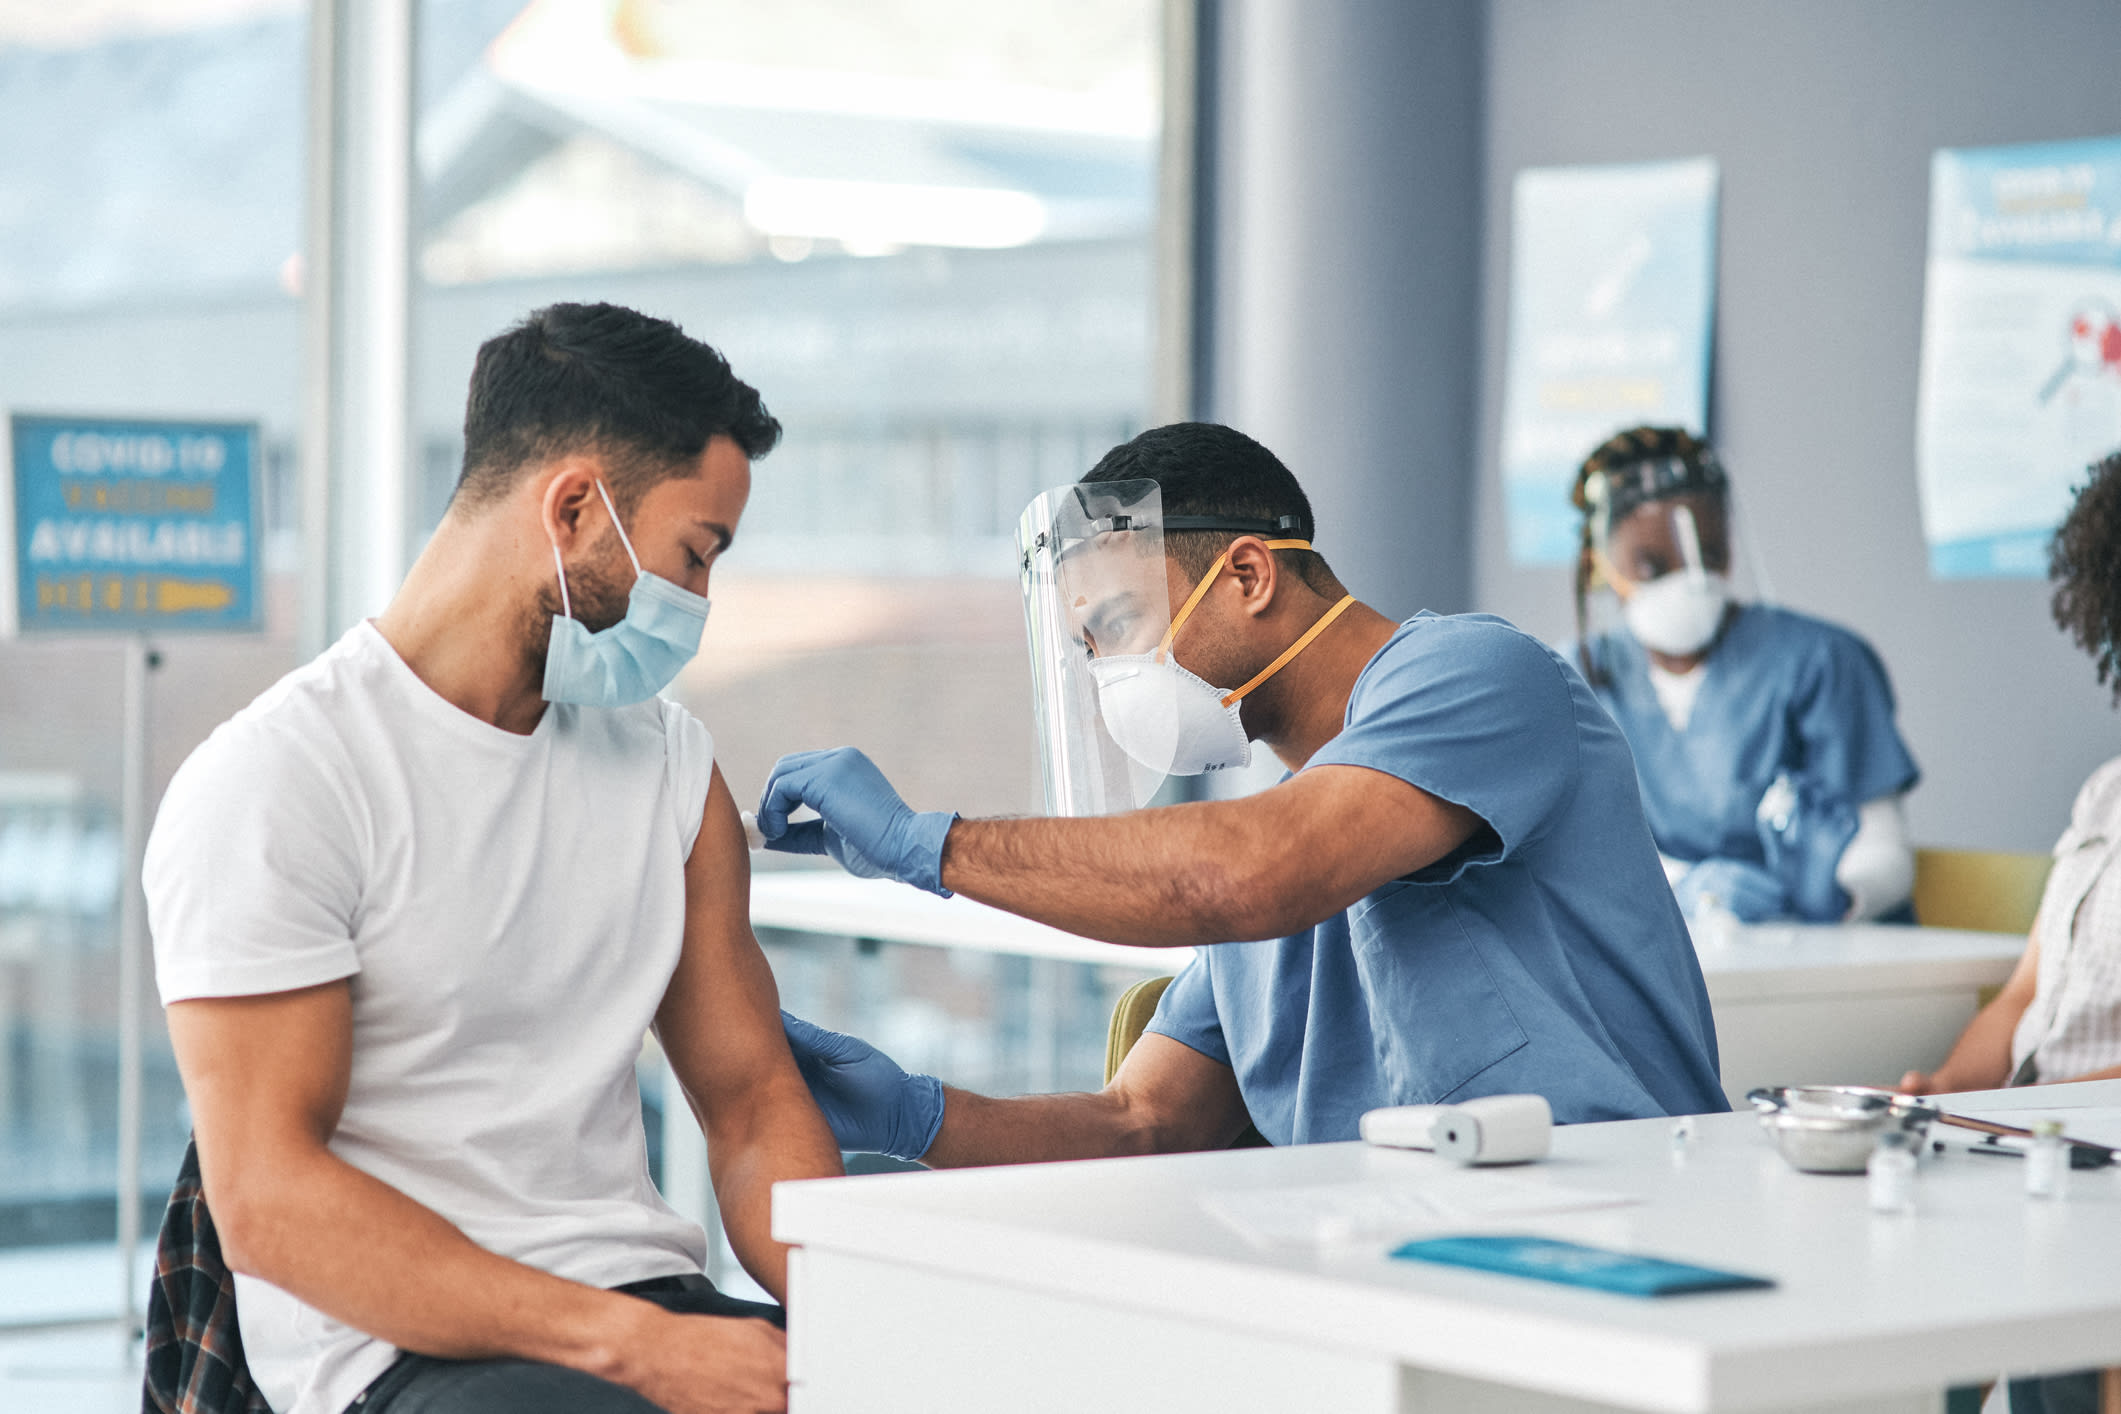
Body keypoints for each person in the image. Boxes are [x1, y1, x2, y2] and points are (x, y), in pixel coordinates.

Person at [144, 303, 839, 1414]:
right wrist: (638, 1349)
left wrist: (863, 1320)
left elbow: (752, 1102)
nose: (700, 604)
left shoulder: (667, 769)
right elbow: (268, 1200)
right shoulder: (280, 781)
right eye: (693, 555)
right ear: (572, 507)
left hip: (640, 1303)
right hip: (404, 1352)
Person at [757, 422, 1727, 1171]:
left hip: (1614, 1224)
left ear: (1250, 575)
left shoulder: (1475, 674)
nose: (1111, 673)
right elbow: (1145, 1123)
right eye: (1090, 650)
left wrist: (933, 846)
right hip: (1405, 1254)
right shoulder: (1265, 836)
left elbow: (1257, 872)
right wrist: (916, 1115)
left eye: (1120, 622)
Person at [1568, 425, 1920, 924]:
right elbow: (1570, 859)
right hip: (1668, 957)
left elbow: (1886, 853)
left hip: (1823, 965)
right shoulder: (1570, 681)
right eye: (1653, 564)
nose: (1692, 581)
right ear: (1599, 563)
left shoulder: (1820, 662)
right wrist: (1681, 891)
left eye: (1709, 555)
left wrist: (1842, 894)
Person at [1901, 450, 2121, 1100]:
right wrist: (1941, 1091)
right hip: (2026, 1132)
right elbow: (2021, 996)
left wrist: (2015, 1113)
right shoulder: (2104, 792)